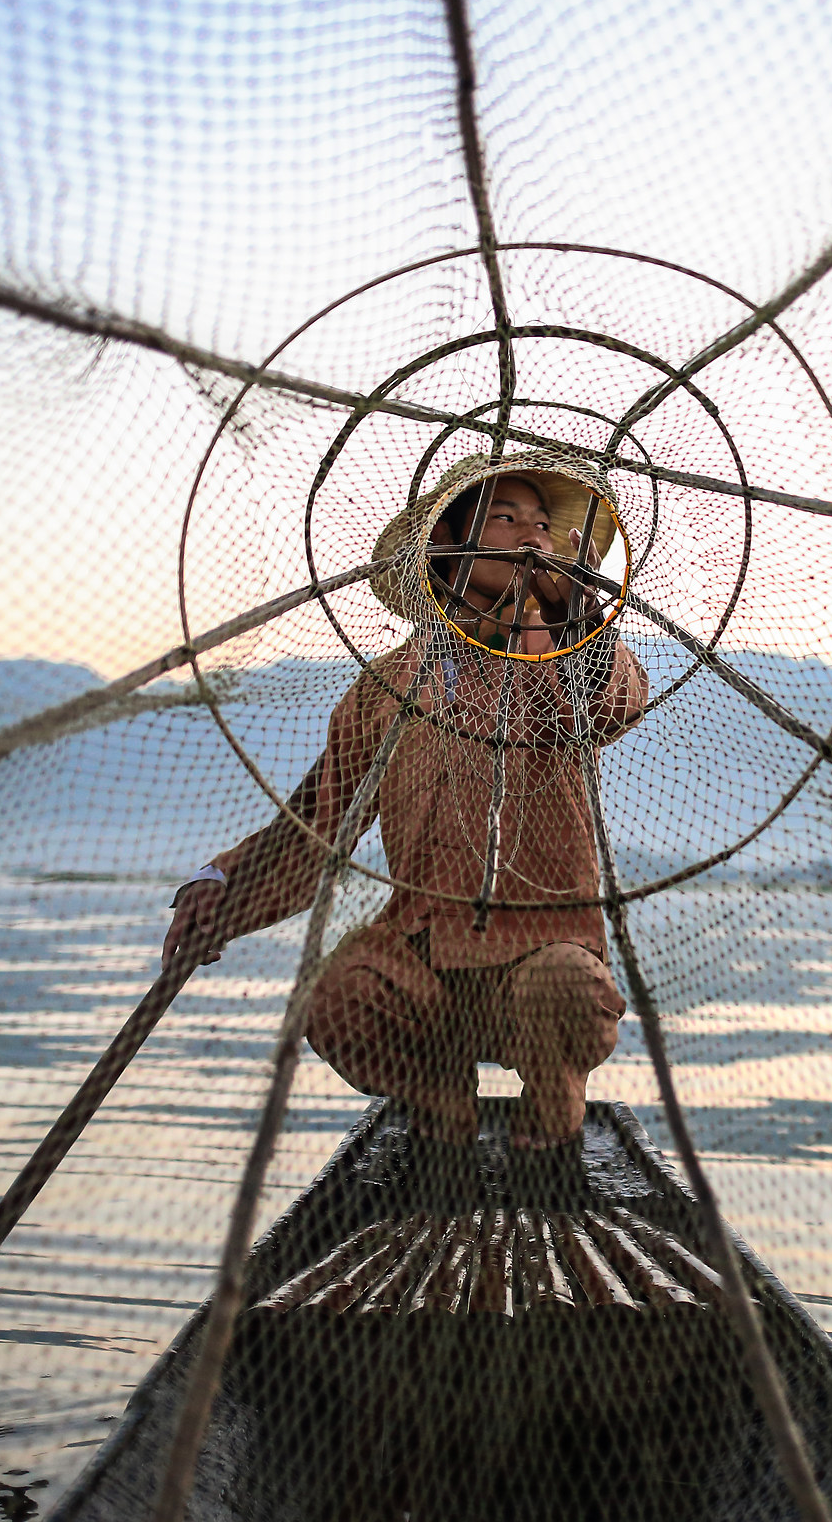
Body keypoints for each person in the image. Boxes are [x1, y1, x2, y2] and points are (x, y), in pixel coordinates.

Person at [163, 462, 648, 1174]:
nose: (531, 536)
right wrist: (219, 887)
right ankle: (436, 1099)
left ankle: (554, 1105)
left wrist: (575, 613)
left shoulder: (571, 656)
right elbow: (317, 825)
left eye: (545, 525)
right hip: (422, 953)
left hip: (546, 951)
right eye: (506, 519)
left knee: (565, 990)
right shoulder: (387, 685)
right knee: (339, 996)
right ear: (447, 550)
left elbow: (611, 705)